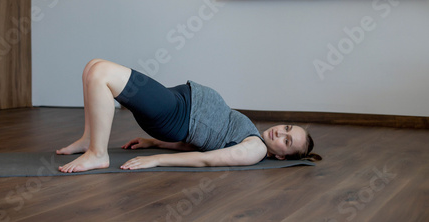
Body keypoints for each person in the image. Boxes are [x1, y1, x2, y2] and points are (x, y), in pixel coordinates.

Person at [57, 59, 321, 173]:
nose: (281, 133)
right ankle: (88, 139)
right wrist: (155, 144)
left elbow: (207, 159)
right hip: (177, 104)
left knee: (101, 73)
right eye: (287, 128)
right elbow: (203, 141)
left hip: (175, 115)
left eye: (287, 141)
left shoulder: (254, 150)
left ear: (280, 156)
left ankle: (99, 154)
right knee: (92, 68)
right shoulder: (253, 133)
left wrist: (157, 160)